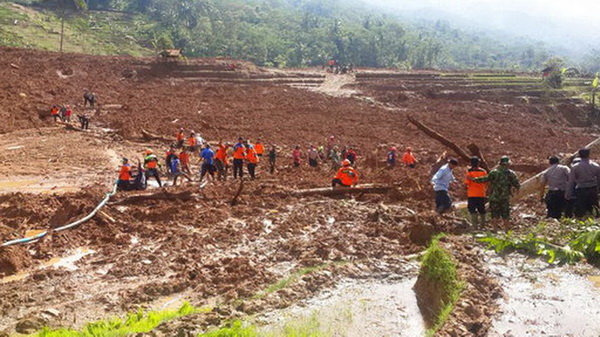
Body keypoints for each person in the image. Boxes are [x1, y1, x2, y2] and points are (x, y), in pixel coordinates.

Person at [566, 148, 600, 218]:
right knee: (595, 210)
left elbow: (571, 181)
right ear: (588, 155)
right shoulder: (596, 166)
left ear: (579, 155)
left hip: (581, 190)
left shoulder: (575, 167)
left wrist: (568, 193)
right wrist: (598, 190)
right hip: (592, 189)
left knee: (580, 210)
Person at [464, 157, 488, 226]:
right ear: (478, 163)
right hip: (481, 194)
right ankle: (482, 225)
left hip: (471, 194)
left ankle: (474, 225)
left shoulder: (469, 172)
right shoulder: (483, 172)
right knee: (482, 210)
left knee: (472, 210)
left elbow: (466, 184)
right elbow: (486, 183)